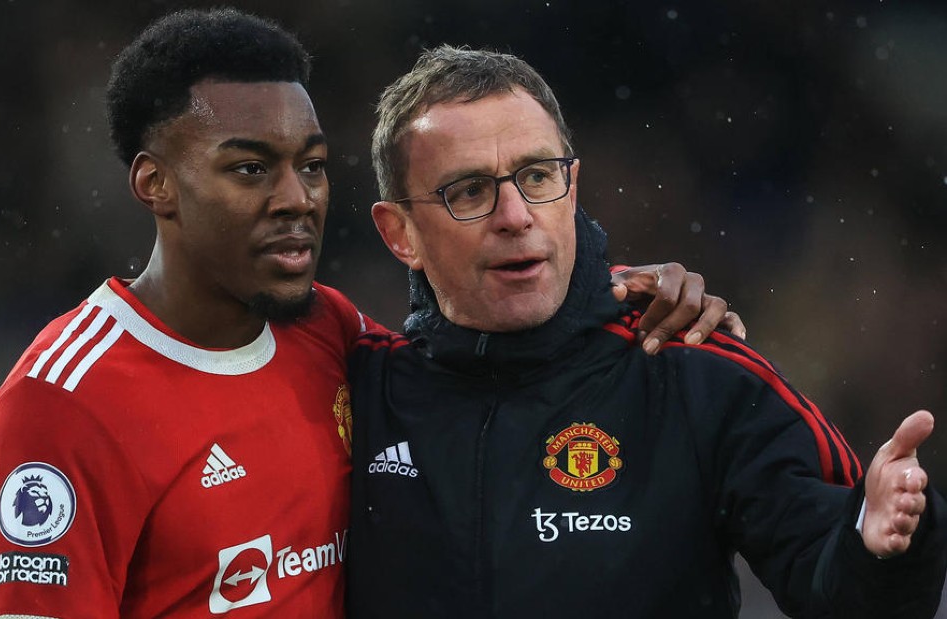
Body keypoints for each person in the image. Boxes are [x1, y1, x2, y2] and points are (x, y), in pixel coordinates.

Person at [0, 9, 739, 619]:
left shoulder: (328, 333)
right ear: (156, 184)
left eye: (310, 165)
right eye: (250, 168)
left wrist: (615, 295)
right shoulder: (64, 398)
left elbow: (486, 361)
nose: (296, 198)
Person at [346, 45, 947, 618]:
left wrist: (878, 547)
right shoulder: (357, 393)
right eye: (469, 191)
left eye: (536, 176)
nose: (516, 216)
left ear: (571, 186)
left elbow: (838, 584)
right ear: (399, 233)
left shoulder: (695, 368)